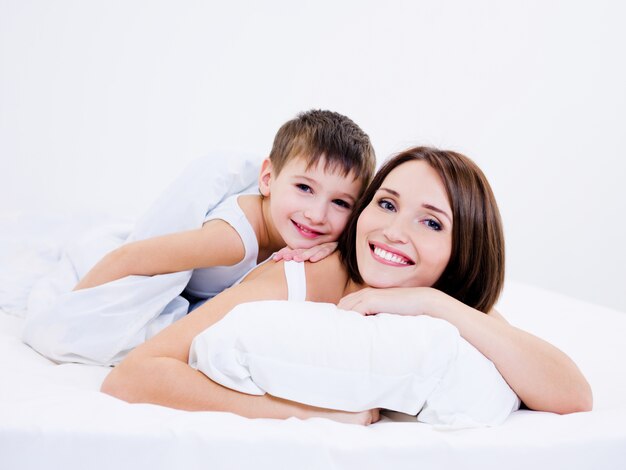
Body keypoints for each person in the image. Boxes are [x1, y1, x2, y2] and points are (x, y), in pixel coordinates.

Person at [101, 146, 592, 425]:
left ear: (462, 252)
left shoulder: (437, 295)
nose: (395, 232)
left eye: (433, 223)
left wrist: (431, 302)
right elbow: (133, 374)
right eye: (386, 204)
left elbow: (572, 393)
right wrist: (306, 414)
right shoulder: (304, 273)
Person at [74, 110, 377, 305]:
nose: (317, 215)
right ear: (268, 179)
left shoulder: (317, 238)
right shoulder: (231, 241)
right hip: (120, 262)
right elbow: (129, 257)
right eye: (304, 188)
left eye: (339, 202)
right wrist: (71, 308)